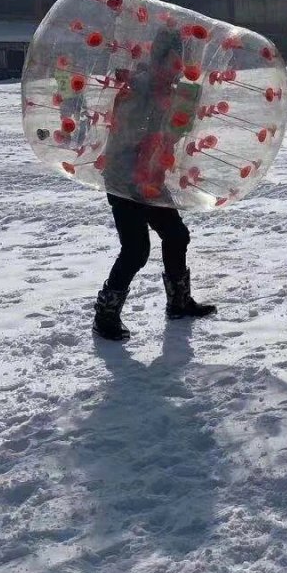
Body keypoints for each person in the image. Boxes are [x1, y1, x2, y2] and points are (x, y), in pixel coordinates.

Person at [93, 27, 216, 341]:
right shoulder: (138, 87)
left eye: (181, 61)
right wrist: (162, 116)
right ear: (158, 57)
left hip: (151, 179)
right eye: (172, 60)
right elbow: (126, 135)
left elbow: (171, 139)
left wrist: (181, 118)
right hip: (124, 179)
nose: (177, 67)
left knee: (176, 235)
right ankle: (105, 316)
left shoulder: (174, 91)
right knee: (136, 249)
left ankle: (178, 302)